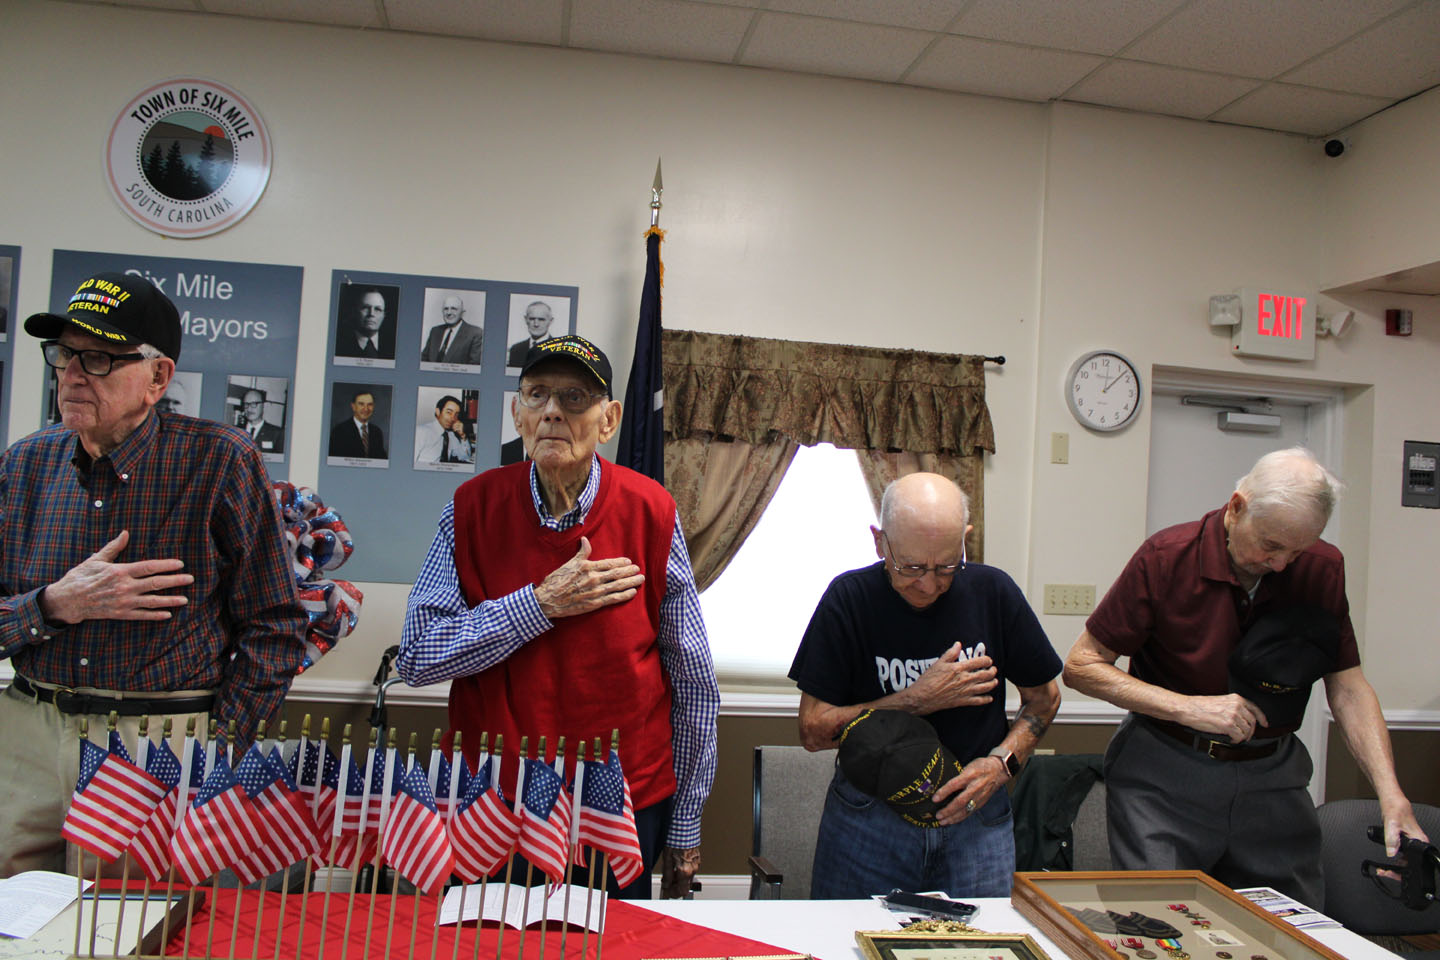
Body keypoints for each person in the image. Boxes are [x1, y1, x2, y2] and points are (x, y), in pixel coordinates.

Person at [0, 272, 306, 877]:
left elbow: (275, 625)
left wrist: (218, 747)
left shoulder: (220, 460)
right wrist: (57, 604)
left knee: (124, 931)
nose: (72, 374)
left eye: (99, 357)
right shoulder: (25, 464)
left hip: (154, 742)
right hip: (27, 735)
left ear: (158, 378)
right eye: (64, 354)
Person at [399, 334, 719, 900]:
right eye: (538, 394)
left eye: (574, 397)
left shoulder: (651, 511)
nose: (552, 411)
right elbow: (420, 656)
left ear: (609, 419)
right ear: (517, 414)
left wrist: (686, 823)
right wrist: (539, 605)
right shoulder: (470, 508)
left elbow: (692, 681)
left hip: (618, 804)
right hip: (491, 801)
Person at [1064, 447, 1429, 907]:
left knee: (1291, 924)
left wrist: (1390, 794)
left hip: (1272, 777)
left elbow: (1349, 687)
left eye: (1297, 551)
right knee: (1163, 922)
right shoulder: (1165, 557)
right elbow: (1082, 666)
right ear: (1236, 508)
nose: (1280, 564)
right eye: (1271, 545)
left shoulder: (1322, 568)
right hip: (1165, 773)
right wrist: (1190, 706)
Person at [789, 473, 1063, 899]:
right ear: (880, 543)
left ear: (966, 540)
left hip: (977, 815)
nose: (929, 584)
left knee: (982, 947)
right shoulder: (849, 598)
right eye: (911, 567)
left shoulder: (995, 592)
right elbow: (813, 731)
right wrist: (915, 700)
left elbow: (1043, 700)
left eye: (947, 567)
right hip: (870, 817)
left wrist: (1001, 766)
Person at [335, 287, 395, 359]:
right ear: (355, 312)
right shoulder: (338, 345)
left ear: (384, 315)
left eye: (378, 309)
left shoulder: (393, 346)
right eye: (365, 308)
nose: (371, 314)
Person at [421, 295, 483, 365]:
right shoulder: (435, 331)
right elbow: (423, 360)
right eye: (446, 309)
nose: (449, 313)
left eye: (454, 309)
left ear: (463, 313)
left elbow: (474, 366)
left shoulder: (475, 333)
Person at [328, 388, 387, 460]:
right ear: (353, 406)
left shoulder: (377, 432)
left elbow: (381, 461)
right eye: (361, 404)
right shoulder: (339, 431)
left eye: (370, 404)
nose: (366, 409)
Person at [414, 394, 473, 465]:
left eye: (456, 414)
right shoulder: (420, 432)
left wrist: (463, 436)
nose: (453, 418)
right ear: (438, 412)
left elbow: (465, 457)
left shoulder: (451, 435)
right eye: (449, 412)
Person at [507, 301, 554, 367]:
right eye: (532, 319)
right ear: (526, 320)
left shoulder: (559, 351)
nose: (536, 324)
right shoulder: (515, 350)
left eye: (541, 319)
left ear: (550, 321)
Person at [241, 388, 285, 455]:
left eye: (254, 404)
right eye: (246, 404)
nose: (249, 408)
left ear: (263, 406)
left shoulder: (277, 434)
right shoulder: (236, 431)